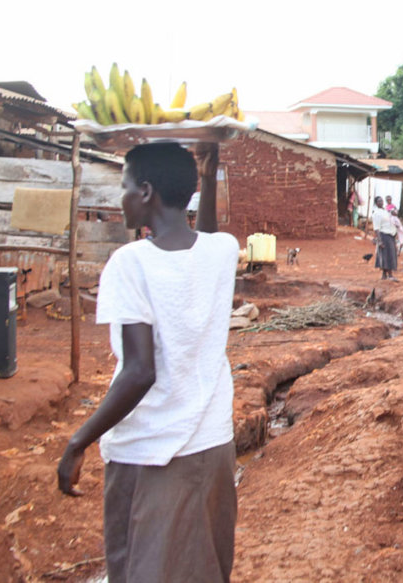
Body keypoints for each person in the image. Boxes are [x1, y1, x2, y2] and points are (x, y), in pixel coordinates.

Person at [57, 142, 238, 582]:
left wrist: (77, 442)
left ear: (145, 192)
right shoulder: (224, 250)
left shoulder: (129, 264)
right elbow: (205, 238)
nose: (118, 197)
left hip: (152, 453)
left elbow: (140, 372)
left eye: (122, 186)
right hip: (212, 447)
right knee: (204, 568)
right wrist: (209, 175)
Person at [372, 196, 399, 281]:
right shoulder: (376, 213)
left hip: (390, 235)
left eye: (382, 201)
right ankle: (389, 275)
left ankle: (384, 275)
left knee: (387, 254)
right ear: (376, 203)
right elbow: (376, 228)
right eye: (379, 201)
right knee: (387, 255)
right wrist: (379, 241)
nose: (381, 202)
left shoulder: (385, 211)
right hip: (384, 236)